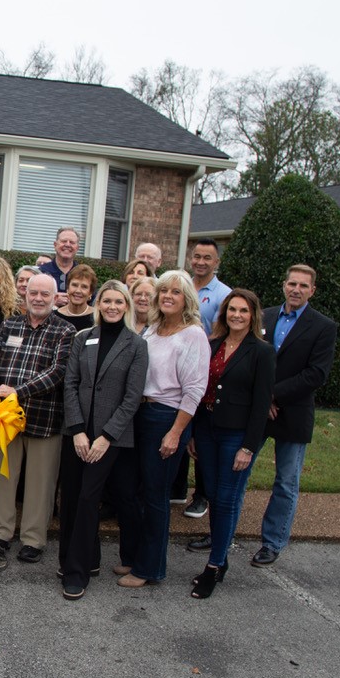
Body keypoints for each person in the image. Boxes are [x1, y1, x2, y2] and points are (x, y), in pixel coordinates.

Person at [0, 274, 74, 563]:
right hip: (5, 419)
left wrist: (16, 391)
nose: (38, 298)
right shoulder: (10, 324)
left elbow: (58, 372)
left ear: (56, 298)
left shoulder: (65, 331)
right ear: (24, 295)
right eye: (33, 293)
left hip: (45, 419)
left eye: (45, 294)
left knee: (41, 483)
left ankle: (33, 539)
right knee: (2, 477)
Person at [57, 280, 148, 600]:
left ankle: (77, 572)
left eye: (118, 302)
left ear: (127, 306)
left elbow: (132, 396)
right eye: (106, 301)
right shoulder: (84, 338)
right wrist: (78, 429)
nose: (112, 306)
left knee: (86, 499)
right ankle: (80, 557)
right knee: (69, 497)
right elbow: (70, 384)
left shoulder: (136, 345)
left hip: (110, 438)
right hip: (77, 432)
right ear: (99, 304)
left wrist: (105, 436)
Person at [117, 270, 209, 588]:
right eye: (163, 291)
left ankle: (149, 568)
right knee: (129, 491)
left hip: (167, 418)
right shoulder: (154, 330)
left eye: (176, 292)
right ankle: (131, 558)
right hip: (139, 413)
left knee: (155, 496)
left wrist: (176, 432)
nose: (167, 296)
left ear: (187, 299)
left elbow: (195, 389)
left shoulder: (193, 334)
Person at [188, 288, 276, 598]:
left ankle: (213, 567)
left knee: (226, 499)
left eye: (243, 311)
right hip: (208, 431)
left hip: (236, 436)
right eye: (232, 310)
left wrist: (249, 447)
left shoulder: (262, 352)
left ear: (253, 316)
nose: (236, 315)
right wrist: (194, 434)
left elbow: (261, 405)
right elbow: (199, 392)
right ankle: (220, 559)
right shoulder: (211, 345)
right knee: (213, 495)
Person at [248, 265, 337, 568]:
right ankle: (219, 534)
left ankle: (272, 542)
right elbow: (251, 358)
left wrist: (272, 395)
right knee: (237, 473)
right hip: (257, 411)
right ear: (284, 285)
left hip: (294, 412)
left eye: (303, 286)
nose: (296, 289)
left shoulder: (323, 326)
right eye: (291, 284)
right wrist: (262, 398)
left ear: (312, 290)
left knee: (286, 482)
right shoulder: (265, 316)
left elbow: (316, 374)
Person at [176, 237, 232, 518]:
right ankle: (177, 487)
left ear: (216, 262)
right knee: (179, 427)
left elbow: (224, 330)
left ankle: (202, 495)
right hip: (177, 364)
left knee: (201, 432)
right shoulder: (182, 284)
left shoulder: (223, 294)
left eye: (207, 258)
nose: (200, 262)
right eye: (196, 256)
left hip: (206, 367)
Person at [39, 227, 80, 307]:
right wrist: (52, 300)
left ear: (77, 248)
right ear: (55, 245)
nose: (68, 245)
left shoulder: (83, 274)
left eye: (72, 242)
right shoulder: (41, 272)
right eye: (64, 241)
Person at [55, 263, 96, 331]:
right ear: (67, 288)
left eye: (84, 287)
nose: (78, 291)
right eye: (74, 285)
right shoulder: (55, 316)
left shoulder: (97, 317)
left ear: (90, 293)